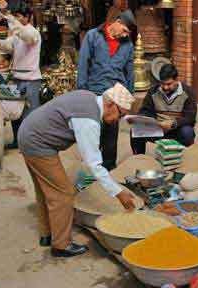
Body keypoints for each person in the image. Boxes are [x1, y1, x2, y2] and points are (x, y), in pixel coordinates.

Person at [18, 83, 144, 258]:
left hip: (29, 133)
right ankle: (61, 245)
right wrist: (118, 192)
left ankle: (47, 235)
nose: (118, 120)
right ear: (110, 104)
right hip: (37, 142)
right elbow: (94, 164)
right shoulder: (88, 120)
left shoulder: (90, 98)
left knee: (46, 190)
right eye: (120, 114)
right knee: (64, 193)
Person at [76, 9, 135, 171]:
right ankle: (91, 171)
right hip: (94, 92)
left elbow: (130, 72)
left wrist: (128, 98)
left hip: (115, 95)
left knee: (111, 134)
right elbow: (83, 64)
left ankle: (110, 169)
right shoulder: (93, 36)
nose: (125, 35)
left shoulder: (128, 45)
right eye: (124, 30)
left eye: (127, 33)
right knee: (93, 134)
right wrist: (81, 93)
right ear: (117, 22)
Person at [0, 0, 42, 149]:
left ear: (28, 17)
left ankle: (30, 145)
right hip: (16, 78)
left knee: (30, 115)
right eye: (16, 16)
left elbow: (23, 34)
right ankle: (17, 141)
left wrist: (8, 16)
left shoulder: (32, 33)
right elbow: (8, 46)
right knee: (15, 114)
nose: (18, 19)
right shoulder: (17, 34)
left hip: (31, 80)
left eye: (20, 16)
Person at [130, 64, 197, 154]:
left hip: (177, 130)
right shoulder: (153, 91)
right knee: (136, 130)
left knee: (187, 132)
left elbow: (190, 117)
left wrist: (173, 123)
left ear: (177, 80)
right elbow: (145, 110)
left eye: (169, 84)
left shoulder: (188, 92)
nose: (165, 87)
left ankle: (184, 158)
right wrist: (145, 119)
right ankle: (140, 158)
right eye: (162, 84)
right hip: (157, 129)